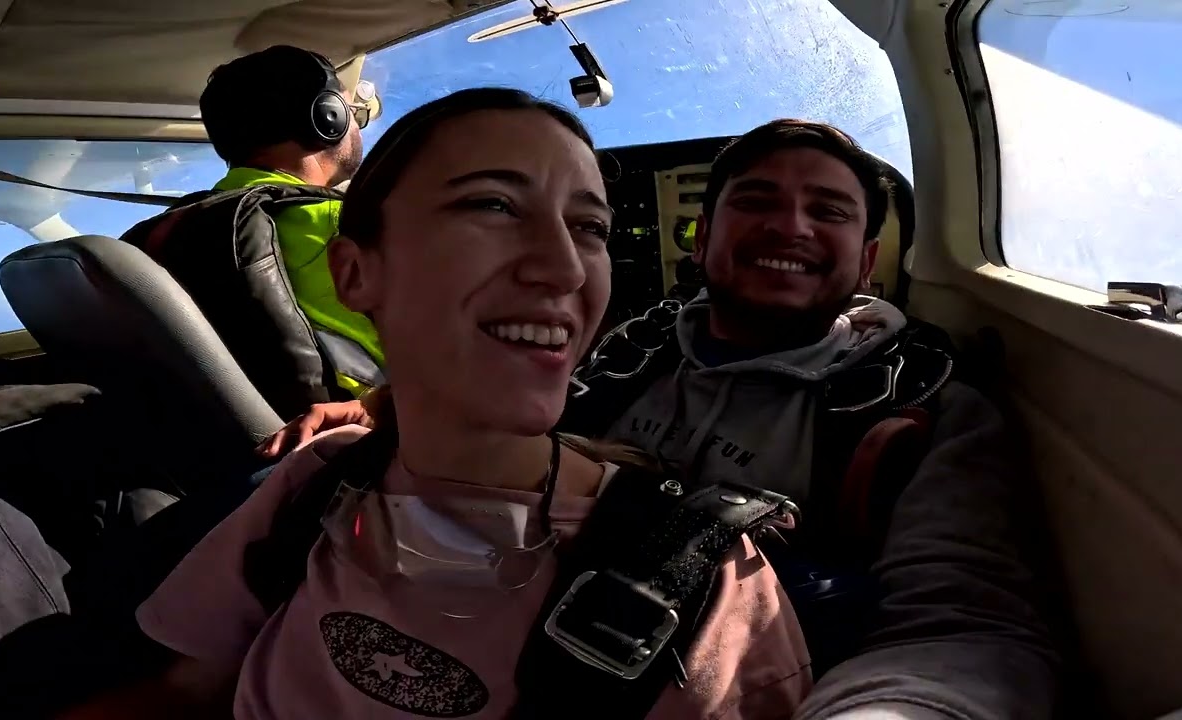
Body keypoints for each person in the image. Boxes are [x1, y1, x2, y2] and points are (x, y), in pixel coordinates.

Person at [261, 118, 1059, 718]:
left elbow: (963, 632)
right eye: (756, 201)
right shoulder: (619, 354)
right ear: (702, 236)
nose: (791, 227)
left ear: (864, 260)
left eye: (830, 211)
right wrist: (373, 406)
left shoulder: (914, 413)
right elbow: (492, 410)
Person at [55, 89, 813, 720]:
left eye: (590, 227)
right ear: (355, 274)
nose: (562, 268)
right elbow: (183, 691)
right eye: (492, 205)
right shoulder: (315, 483)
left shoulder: (706, 582)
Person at [200, 44, 384, 397]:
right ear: (328, 117)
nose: (357, 125)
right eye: (353, 112)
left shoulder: (196, 225)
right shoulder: (346, 225)